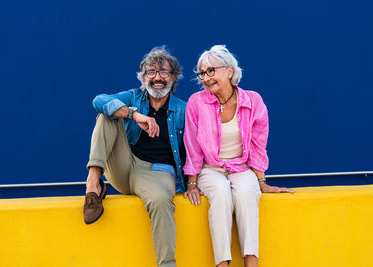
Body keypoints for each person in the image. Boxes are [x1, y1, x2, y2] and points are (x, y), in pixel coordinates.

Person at [183, 45, 295, 267]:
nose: (206, 78)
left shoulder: (253, 101)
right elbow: (192, 145)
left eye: (211, 71)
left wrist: (261, 181)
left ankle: (251, 262)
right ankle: (222, 263)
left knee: (247, 193)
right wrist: (192, 183)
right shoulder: (196, 102)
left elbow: (258, 144)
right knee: (221, 195)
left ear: (230, 71)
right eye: (202, 73)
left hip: (241, 167)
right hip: (210, 168)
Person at [83, 46, 186, 267]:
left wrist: (194, 182)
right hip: (124, 165)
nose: (157, 78)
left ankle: (167, 264)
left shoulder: (183, 110)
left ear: (173, 77)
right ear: (143, 76)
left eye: (164, 72)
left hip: (156, 173)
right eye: (151, 72)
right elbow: (99, 100)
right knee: (107, 113)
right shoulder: (134, 97)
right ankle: (93, 185)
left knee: (160, 201)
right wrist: (133, 113)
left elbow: (195, 149)